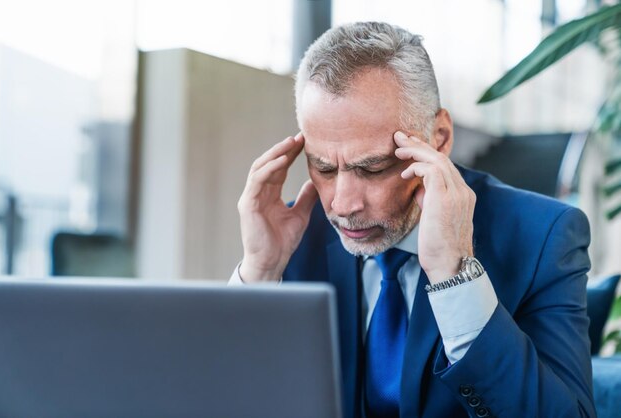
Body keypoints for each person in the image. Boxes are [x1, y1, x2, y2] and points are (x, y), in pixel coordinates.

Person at [229, 22, 595, 418]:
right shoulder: (292, 235)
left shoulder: (544, 236)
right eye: (323, 168)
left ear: (438, 138)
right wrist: (260, 273)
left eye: (372, 168)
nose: (343, 204)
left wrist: (456, 277)